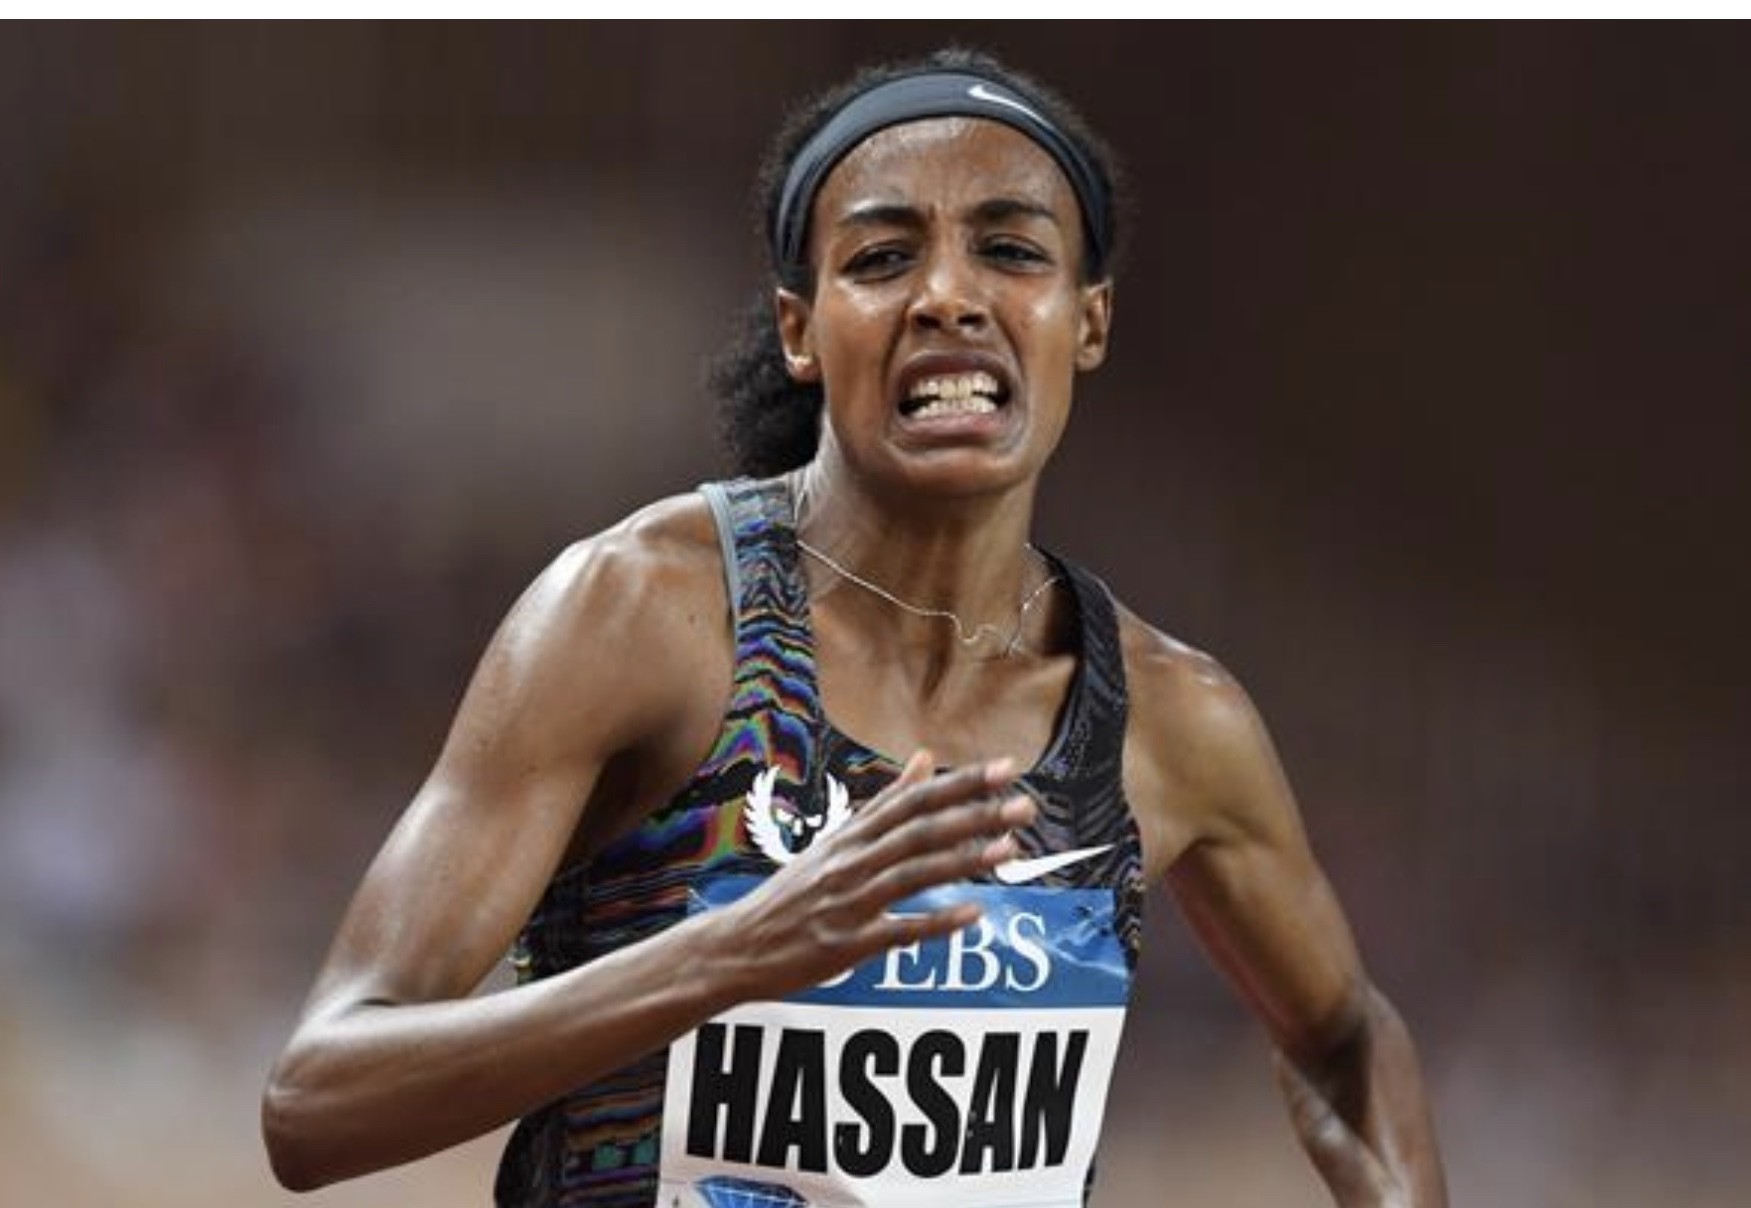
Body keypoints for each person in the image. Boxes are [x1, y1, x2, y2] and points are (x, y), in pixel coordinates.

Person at [263, 47, 1447, 1208]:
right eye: (882, 257)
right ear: (801, 328)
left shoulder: (1169, 718)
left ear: (1086, 320)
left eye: (1009, 250)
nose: (947, 295)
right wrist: (725, 952)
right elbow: (317, 1099)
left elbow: (1344, 1037)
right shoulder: (644, 614)